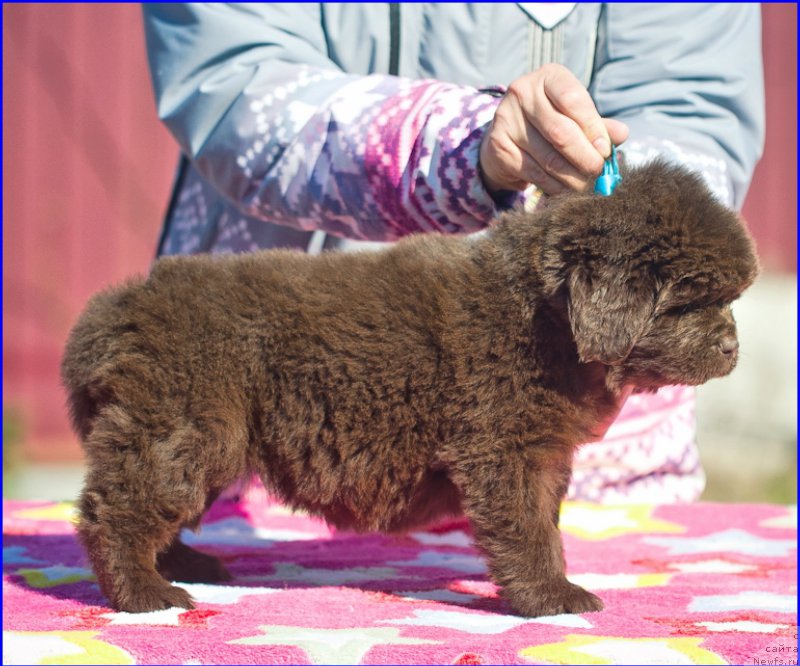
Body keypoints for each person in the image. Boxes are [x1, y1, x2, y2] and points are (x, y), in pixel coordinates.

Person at [142, 3, 764, 503]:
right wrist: (465, 145)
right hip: (286, 411)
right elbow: (232, 80)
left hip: (594, 456)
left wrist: (616, 212)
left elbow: (697, 108)